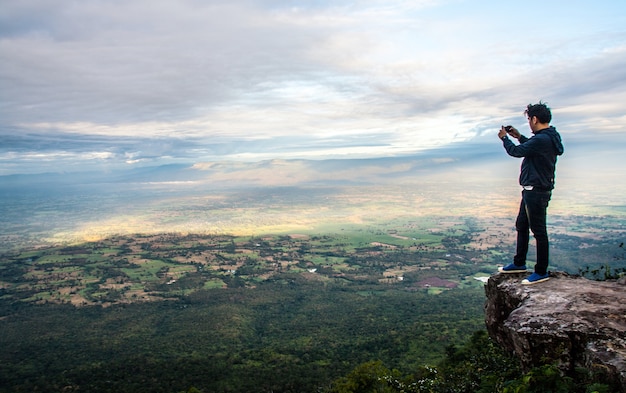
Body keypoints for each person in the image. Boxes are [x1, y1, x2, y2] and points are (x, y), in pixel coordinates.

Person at [497, 102, 564, 284]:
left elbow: (517, 152)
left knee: (539, 231)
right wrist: (518, 136)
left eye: (529, 119)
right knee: (522, 225)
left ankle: (541, 271)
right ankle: (519, 263)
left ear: (534, 119)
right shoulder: (547, 137)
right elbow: (531, 147)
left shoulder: (542, 139)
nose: (529, 123)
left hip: (536, 191)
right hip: (532, 190)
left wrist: (505, 138)